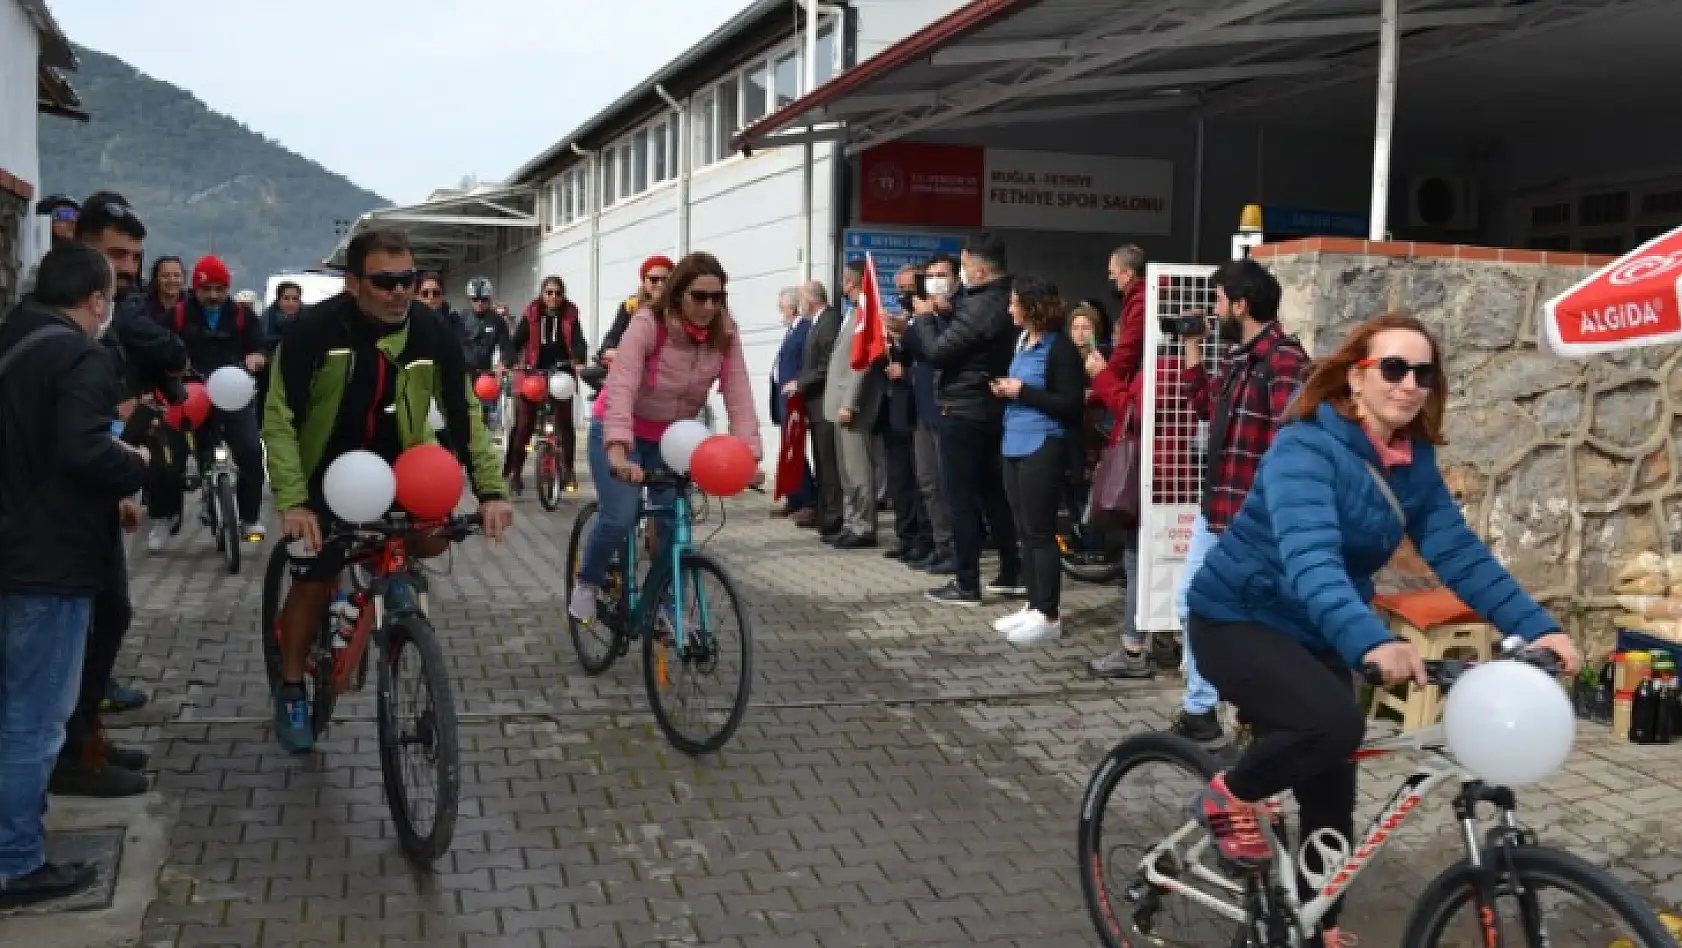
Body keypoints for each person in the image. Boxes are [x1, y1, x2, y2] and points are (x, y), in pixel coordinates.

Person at [1185, 312, 1581, 948]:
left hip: (1317, 630)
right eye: (1393, 368)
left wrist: (1538, 628)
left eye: (1423, 372)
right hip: (1239, 617)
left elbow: (1459, 554)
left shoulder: (1410, 460)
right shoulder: (1304, 448)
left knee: (1332, 788)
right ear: (1354, 376)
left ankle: (1320, 927)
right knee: (1331, 724)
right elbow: (1309, 556)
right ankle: (1231, 793)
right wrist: (1370, 640)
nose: (1409, 383)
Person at [263, 230, 512, 753]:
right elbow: (280, 418)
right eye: (385, 282)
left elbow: (466, 411)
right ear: (354, 283)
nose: (400, 292)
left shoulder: (432, 332)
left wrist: (490, 490)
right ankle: (290, 687)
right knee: (313, 574)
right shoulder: (313, 330)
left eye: (408, 280)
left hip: (400, 465)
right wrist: (293, 501)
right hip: (323, 474)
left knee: (435, 536)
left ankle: (395, 596)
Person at [0, 243, 151, 906]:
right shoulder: (82, 355)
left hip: (13, 548)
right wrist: (137, 461)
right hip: (48, 559)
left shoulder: (12, 338)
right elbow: (81, 446)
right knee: (35, 720)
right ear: (97, 300)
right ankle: (15, 860)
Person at [568, 252, 762, 623]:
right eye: (699, 296)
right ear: (677, 295)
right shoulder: (647, 324)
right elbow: (622, 385)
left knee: (676, 523)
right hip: (617, 429)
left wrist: (749, 457)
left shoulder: (725, 333)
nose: (709, 306)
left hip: (674, 439)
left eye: (717, 297)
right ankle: (588, 582)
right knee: (620, 516)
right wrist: (619, 451)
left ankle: (671, 605)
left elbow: (739, 394)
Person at [903, 234, 1023, 606]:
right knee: (993, 494)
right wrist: (945, 313)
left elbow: (940, 352)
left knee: (961, 498)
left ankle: (967, 582)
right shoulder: (1002, 297)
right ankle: (1010, 572)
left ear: (981, 268)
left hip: (965, 408)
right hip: (988, 406)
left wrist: (923, 319)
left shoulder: (980, 303)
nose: (962, 273)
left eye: (966, 266)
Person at [990, 277, 1085, 646]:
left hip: (1042, 444)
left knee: (1040, 531)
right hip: (1013, 442)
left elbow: (1069, 403)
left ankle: (1049, 613)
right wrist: (1004, 389)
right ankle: (1033, 603)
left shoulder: (1059, 348)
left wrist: (1022, 392)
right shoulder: (1022, 342)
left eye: (1015, 303)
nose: (1010, 308)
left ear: (1032, 306)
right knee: (1023, 529)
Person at [155, 255, 269, 540]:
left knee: (252, 453)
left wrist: (257, 358)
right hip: (189, 395)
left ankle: (249, 518)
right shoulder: (178, 316)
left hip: (233, 393)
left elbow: (260, 347)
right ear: (196, 288)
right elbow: (158, 348)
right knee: (170, 458)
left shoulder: (243, 316)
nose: (213, 295)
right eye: (207, 289)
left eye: (220, 289)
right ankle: (167, 514)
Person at [1085, 245, 1154, 680]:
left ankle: (1133, 647)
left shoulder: (1141, 310)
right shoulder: (1165, 365)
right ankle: (1150, 639)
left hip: (1146, 461)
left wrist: (1101, 375)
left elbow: (1129, 406)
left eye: (1113, 273)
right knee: (1136, 555)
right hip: (1158, 461)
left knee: (1134, 555)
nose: (1111, 280)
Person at [823, 260, 887, 549]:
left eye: (844, 280)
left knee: (858, 470)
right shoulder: (852, 313)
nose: (842, 285)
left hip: (852, 406)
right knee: (846, 471)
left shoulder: (866, 313)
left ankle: (864, 527)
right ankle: (851, 523)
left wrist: (850, 403)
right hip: (838, 404)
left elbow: (861, 365)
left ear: (851, 282)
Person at [506, 275, 587, 493]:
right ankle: (516, 472)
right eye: (549, 292)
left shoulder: (570, 315)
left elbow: (579, 342)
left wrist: (578, 360)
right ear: (542, 294)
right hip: (533, 372)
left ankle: (568, 471)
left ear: (563, 295)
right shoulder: (531, 314)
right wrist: (511, 362)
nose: (553, 297)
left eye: (557, 293)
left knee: (565, 422)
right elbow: (514, 343)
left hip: (561, 372)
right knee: (524, 424)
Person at [881, 266, 931, 564]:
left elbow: (929, 361)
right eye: (899, 288)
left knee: (921, 481)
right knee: (899, 479)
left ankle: (924, 541)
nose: (903, 294)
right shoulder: (904, 323)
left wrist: (906, 370)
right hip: (896, 407)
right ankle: (906, 537)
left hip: (919, 407)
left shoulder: (926, 322)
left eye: (908, 288)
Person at [142, 257, 191, 552]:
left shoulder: (191, 308)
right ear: (156, 278)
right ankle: (163, 515)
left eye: (177, 275)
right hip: (157, 388)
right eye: (166, 275)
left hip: (195, 387)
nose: (172, 280)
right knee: (166, 458)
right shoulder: (144, 310)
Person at [797, 280, 844, 537]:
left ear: (812, 299)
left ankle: (834, 516)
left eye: (801, 298)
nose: (798, 303)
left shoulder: (829, 322)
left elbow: (827, 365)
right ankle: (825, 511)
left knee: (829, 462)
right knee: (821, 461)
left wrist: (801, 383)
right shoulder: (817, 322)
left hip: (825, 402)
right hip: (815, 405)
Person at [769, 287, 815, 522]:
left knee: (796, 450)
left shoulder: (805, 329)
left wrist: (798, 384)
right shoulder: (792, 330)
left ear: (793, 308)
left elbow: (806, 364)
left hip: (795, 398)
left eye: (782, 307)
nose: (780, 312)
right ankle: (793, 498)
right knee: (788, 450)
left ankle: (807, 500)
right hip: (783, 396)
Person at [598, 255, 672, 369]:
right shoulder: (631, 306)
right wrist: (611, 351)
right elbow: (611, 338)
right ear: (644, 281)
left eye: (665, 279)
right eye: (654, 279)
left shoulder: (680, 308)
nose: (660, 284)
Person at [256, 282, 305, 430]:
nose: (291, 303)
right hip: (269, 380)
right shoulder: (265, 322)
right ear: (278, 300)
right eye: (286, 298)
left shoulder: (308, 322)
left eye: (295, 299)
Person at [462, 277, 510, 422]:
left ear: (489, 299)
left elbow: (506, 345)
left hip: (485, 375)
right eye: (475, 299)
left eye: (483, 299)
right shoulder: (460, 318)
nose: (480, 303)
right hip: (464, 374)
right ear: (470, 299)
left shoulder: (497, 320)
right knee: (463, 414)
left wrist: (504, 362)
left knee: (483, 416)